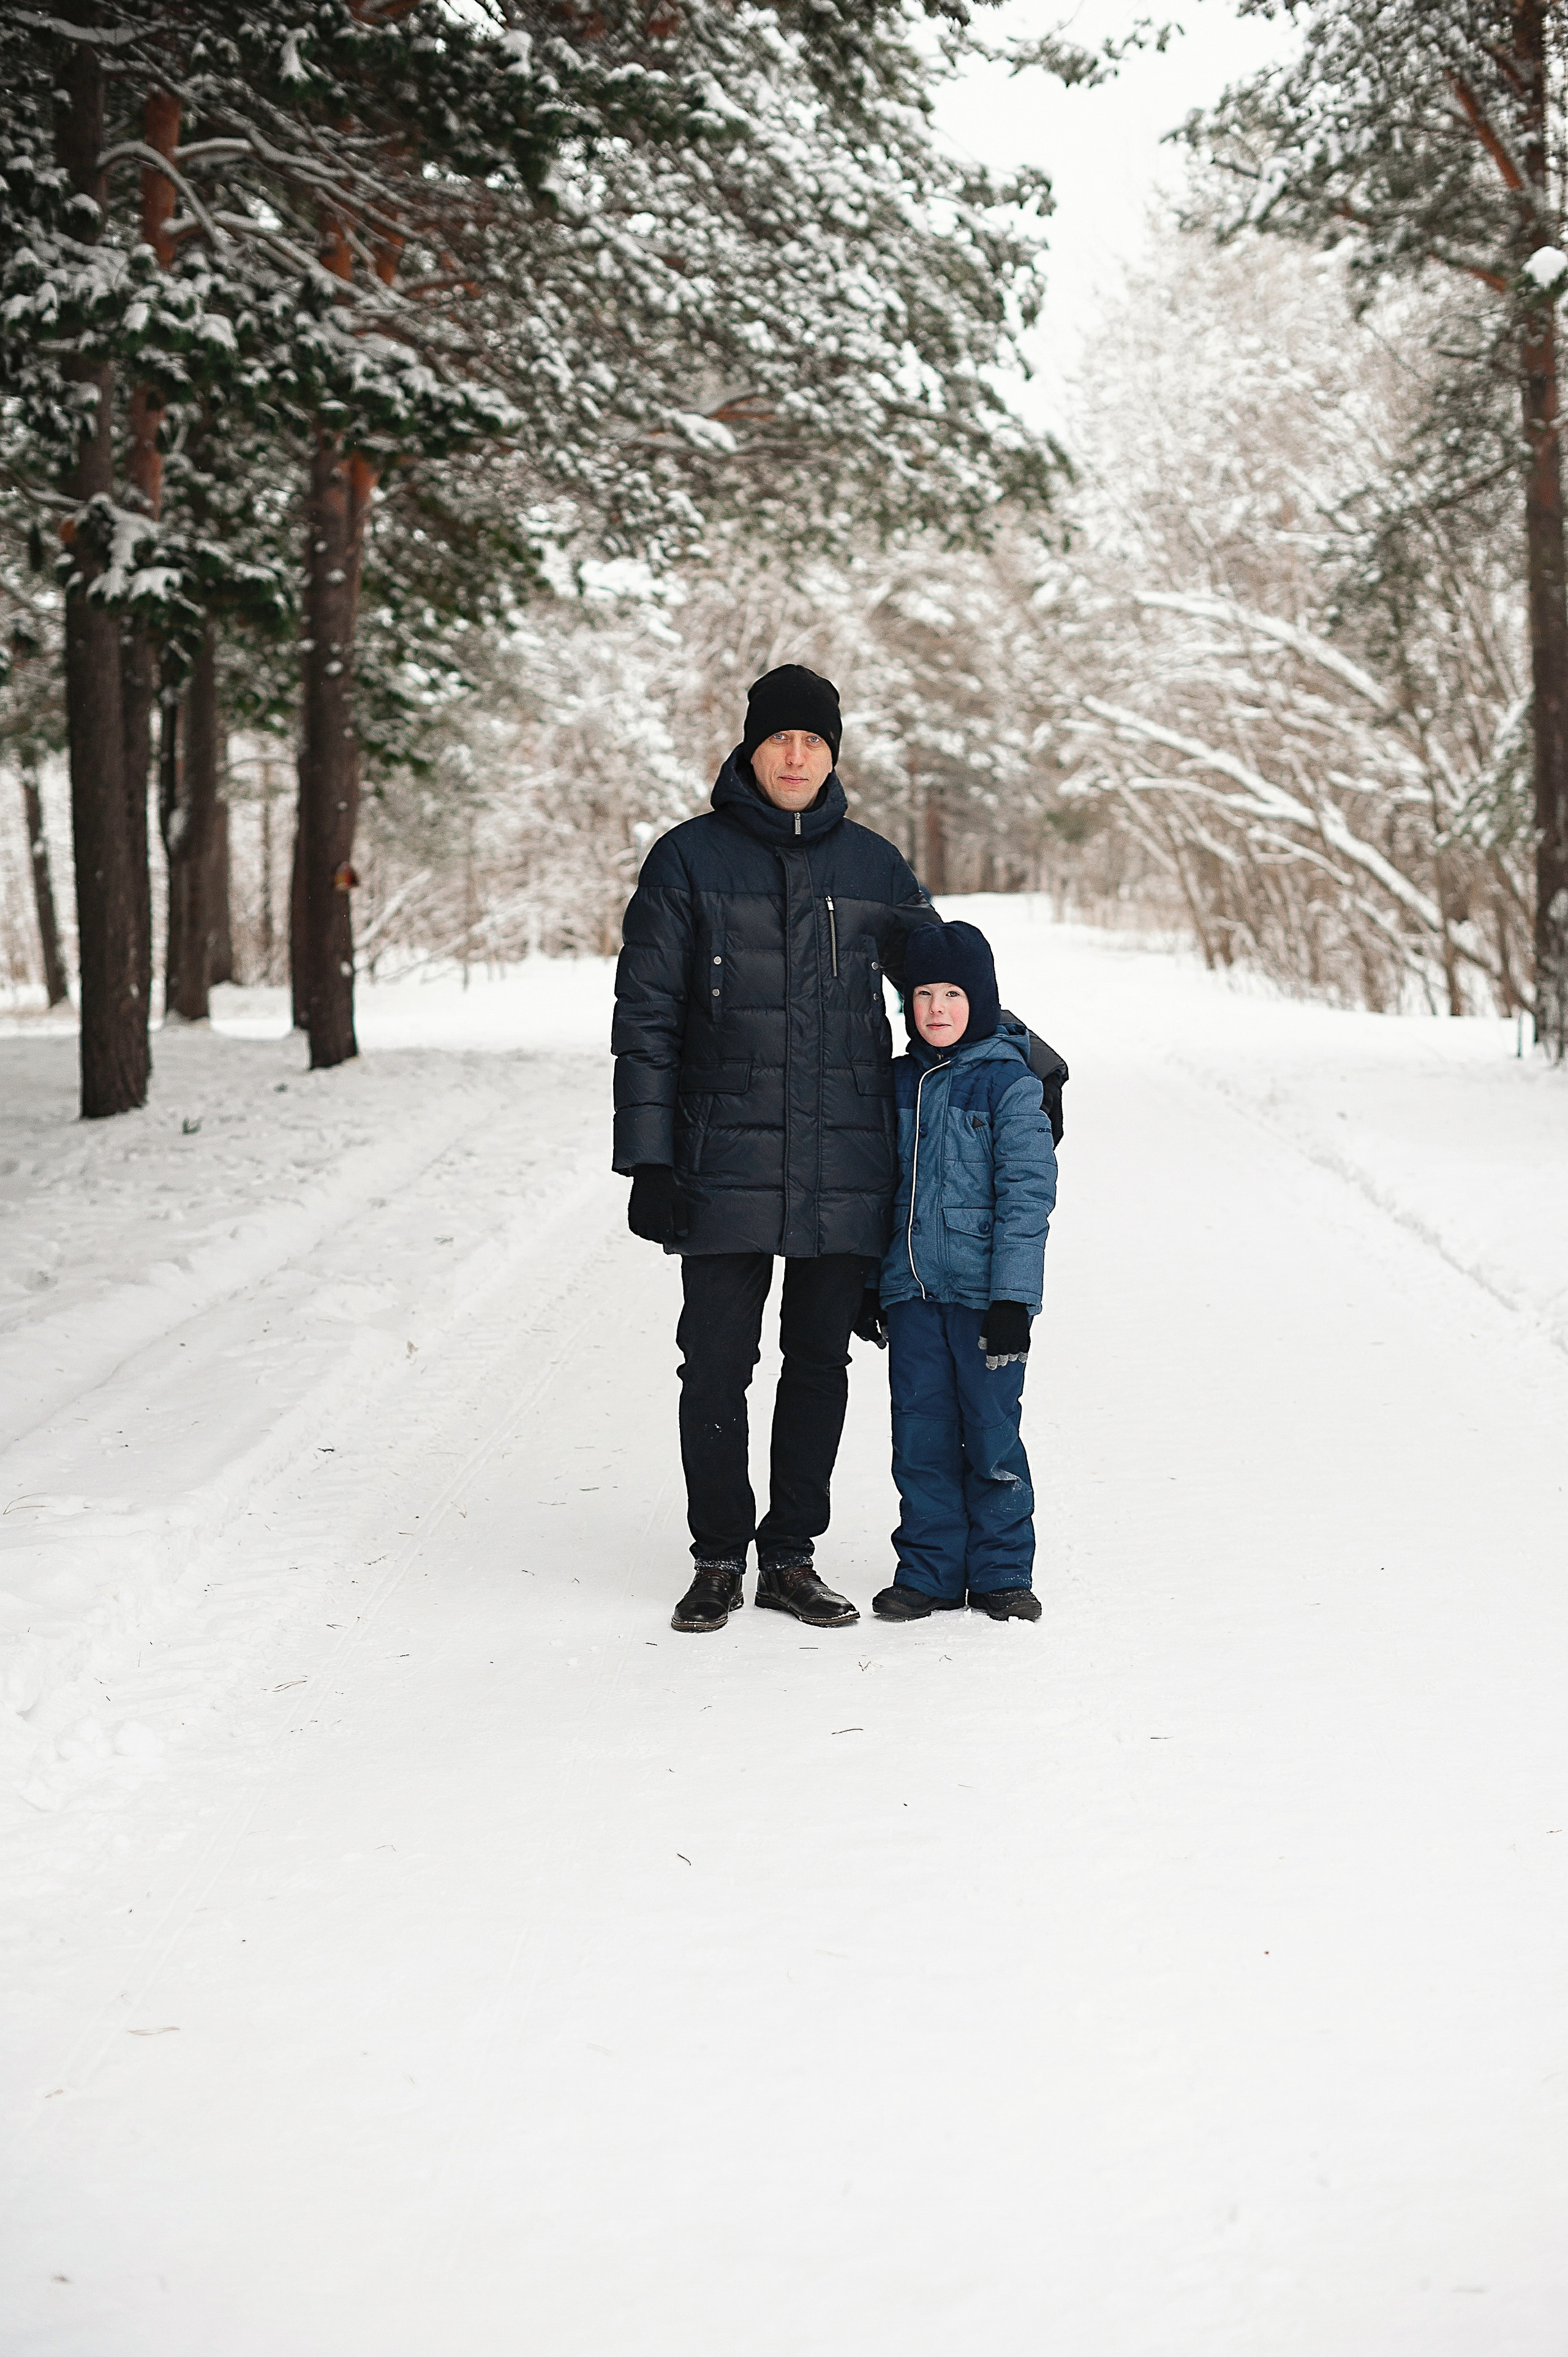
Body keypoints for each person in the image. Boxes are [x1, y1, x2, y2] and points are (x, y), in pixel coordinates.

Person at [612, 664, 934, 1634]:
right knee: (713, 1364)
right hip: (719, 1159)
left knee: (819, 1361)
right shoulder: (686, 861)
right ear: (752, 749)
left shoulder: (876, 869)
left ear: (834, 752)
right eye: (780, 738)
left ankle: (791, 1555)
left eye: (813, 739)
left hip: (845, 1160)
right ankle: (719, 1555)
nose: (796, 754)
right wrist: (651, 1158)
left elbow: (947, 994)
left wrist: (1018, 1063)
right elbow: (647, 1019)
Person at [862, 920, 1057, 1622]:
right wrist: (869, 1282)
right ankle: (931, 1571)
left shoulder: (1010, 1085)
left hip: (984, 1302)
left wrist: (1013, 1297)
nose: (937, 1009)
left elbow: (1027, 1196)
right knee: (920, 1438)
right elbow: (877, 1189)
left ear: (979, 998)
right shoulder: (896, 1084)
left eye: (951, 994)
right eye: (922, 995)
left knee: (992, 1434)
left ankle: (1002, 1571)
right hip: (911, 1293)